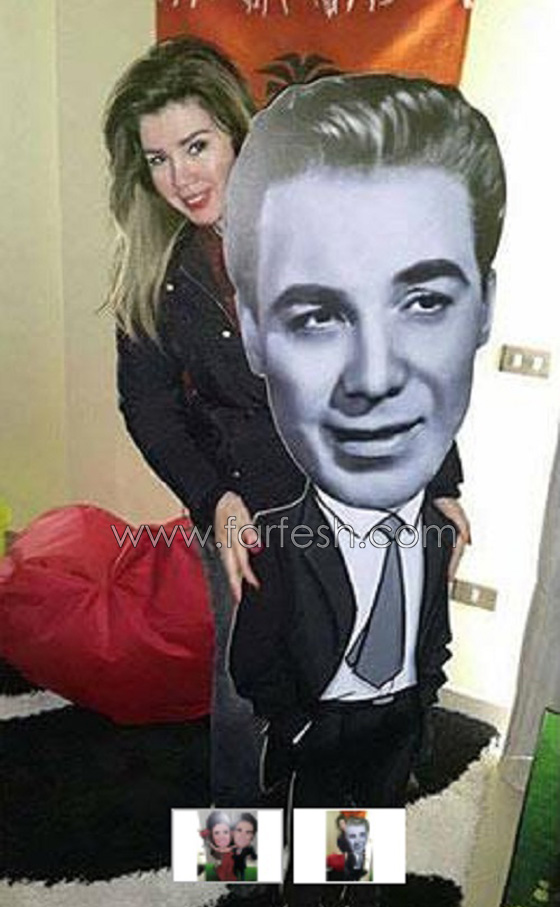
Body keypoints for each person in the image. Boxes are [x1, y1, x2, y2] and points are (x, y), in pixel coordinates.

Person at [103, 37, 468, 604]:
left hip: (370, 495)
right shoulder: (154, 275)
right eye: (158, 160)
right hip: (251, 519)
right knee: (253, 660)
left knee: (382, 654)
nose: (181, 177)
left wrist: (440, 482)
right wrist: (213, 499)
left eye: (196, 146)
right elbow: (150, 407)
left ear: (237, 135)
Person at [225, 73, 506, 809]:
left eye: (425, 301)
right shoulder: (275, 542)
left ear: (484, 307)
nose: (374, 378)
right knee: (274, 844)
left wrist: (422, 706)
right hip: (313, 732)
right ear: (254, 332)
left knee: (360, 844)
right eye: (317, 315)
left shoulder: (437, 533)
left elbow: (432, 633)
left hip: (395, 727)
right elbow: (254, 657)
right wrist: (295, 728)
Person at [201, 809, 236, 881]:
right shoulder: (218, 850)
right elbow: (213, 847)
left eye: (225, 832)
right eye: (216, 833)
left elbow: (235, 846)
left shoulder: (230, 848)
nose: (222, 837)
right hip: (224, 863)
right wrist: (208, 842)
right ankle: (219, 871)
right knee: (224, 871)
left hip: (230, 863)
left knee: (230, 869)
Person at [232, 812, 258, 881]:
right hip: (234, 866)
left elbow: (254, 857)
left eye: (248, 832)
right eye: (239, 830)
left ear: (252, 837)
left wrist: (251, 856)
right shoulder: (231, 846)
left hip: (242, 866)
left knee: (242, 877)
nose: (242, 836)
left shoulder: (248, 848)